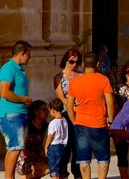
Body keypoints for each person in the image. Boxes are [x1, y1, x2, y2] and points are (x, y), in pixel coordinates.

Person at [66, 52, 115, 179]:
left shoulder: (75, 81)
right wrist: (111, 121)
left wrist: (74, 121)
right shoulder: (103, 79)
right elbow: (110, 102)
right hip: (99, 123)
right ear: (97, 64)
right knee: (103, 157)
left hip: (81, 123)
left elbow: (69, 106)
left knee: (83, 158)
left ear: (82, 64)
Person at [0, 40, 34, 179]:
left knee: (13, 148)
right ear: (22, 53)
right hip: (12, 114)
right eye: (28, 54)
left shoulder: (19, 69)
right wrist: (24, 99)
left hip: (18, 112)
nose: (29, 57)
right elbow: (5, 92)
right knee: (16, 148)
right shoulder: (8, 68)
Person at [52, 49, 82, 179]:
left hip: (80, 114)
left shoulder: (81, 76)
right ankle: (63, 173)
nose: (74, 64)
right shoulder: (59, 77)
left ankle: (78, 173)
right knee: (65, 146)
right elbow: (62, 98)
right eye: (71, 61)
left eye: (77, 62)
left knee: (79, 146)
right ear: (66, 60)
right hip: (65, 115)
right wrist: (72, 108)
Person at [17, 100, 50, 179]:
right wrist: (38, 158)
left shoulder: (45, 125)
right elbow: (23, 149)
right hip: (25, 157)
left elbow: (42, 143)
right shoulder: (28, 126)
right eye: (44, 109)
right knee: (48, 169)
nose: (47, 112)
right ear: (36, 112)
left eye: (47, 109)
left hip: (37, 156)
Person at [45, 99, 70, 179]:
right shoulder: (65, 120)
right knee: (62, 167)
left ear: (53, 110)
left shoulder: (53, 123)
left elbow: (50, 136)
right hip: (63, 146)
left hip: (54, 147)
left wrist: (46, 146)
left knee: (54, 168)